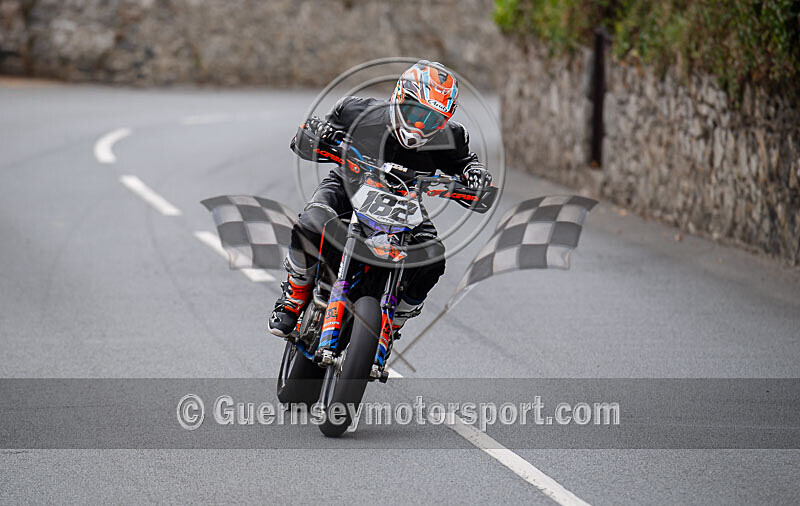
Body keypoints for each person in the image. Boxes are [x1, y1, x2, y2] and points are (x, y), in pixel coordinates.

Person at [269, 60, 492, 338]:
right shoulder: (355, 111)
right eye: (414, 112)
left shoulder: (453, 138)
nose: (420, 125)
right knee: (312, 222)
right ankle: (295, 295)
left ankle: (394, 321)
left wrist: (475, 175)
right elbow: (302, 140)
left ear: (445, 120)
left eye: (433, 119)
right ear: (400, 97)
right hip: (347, 185)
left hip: (405, 202)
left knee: (433, 258)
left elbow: (468, 167)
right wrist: (319, 134)